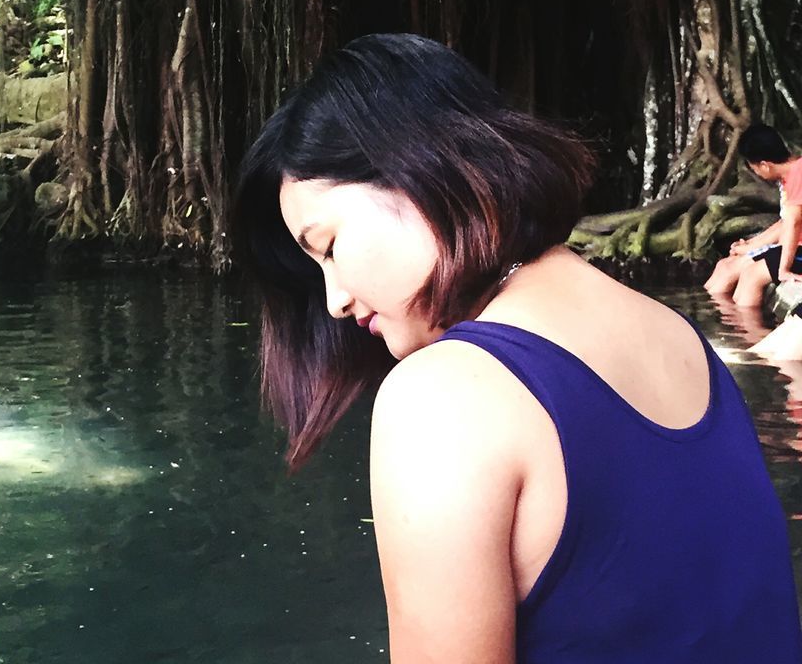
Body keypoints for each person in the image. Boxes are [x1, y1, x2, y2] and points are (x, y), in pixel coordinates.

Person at [232, 34, 802, 663]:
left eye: (331, 246)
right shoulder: (680, 338)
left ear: (428, 168)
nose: (334, 299)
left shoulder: (443, 395)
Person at [703, 124, 802, 307]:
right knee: (725, 266)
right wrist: (751, 246)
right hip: (796, 249)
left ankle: (749, 333)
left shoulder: (799, 173)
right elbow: (785, 223)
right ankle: (722, 324)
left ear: (764, 165)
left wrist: (783, 269)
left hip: (799, 252)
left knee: (751, 277)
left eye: (754, 167)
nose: (755, 173)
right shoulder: (791, 176)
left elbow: (793, 223)